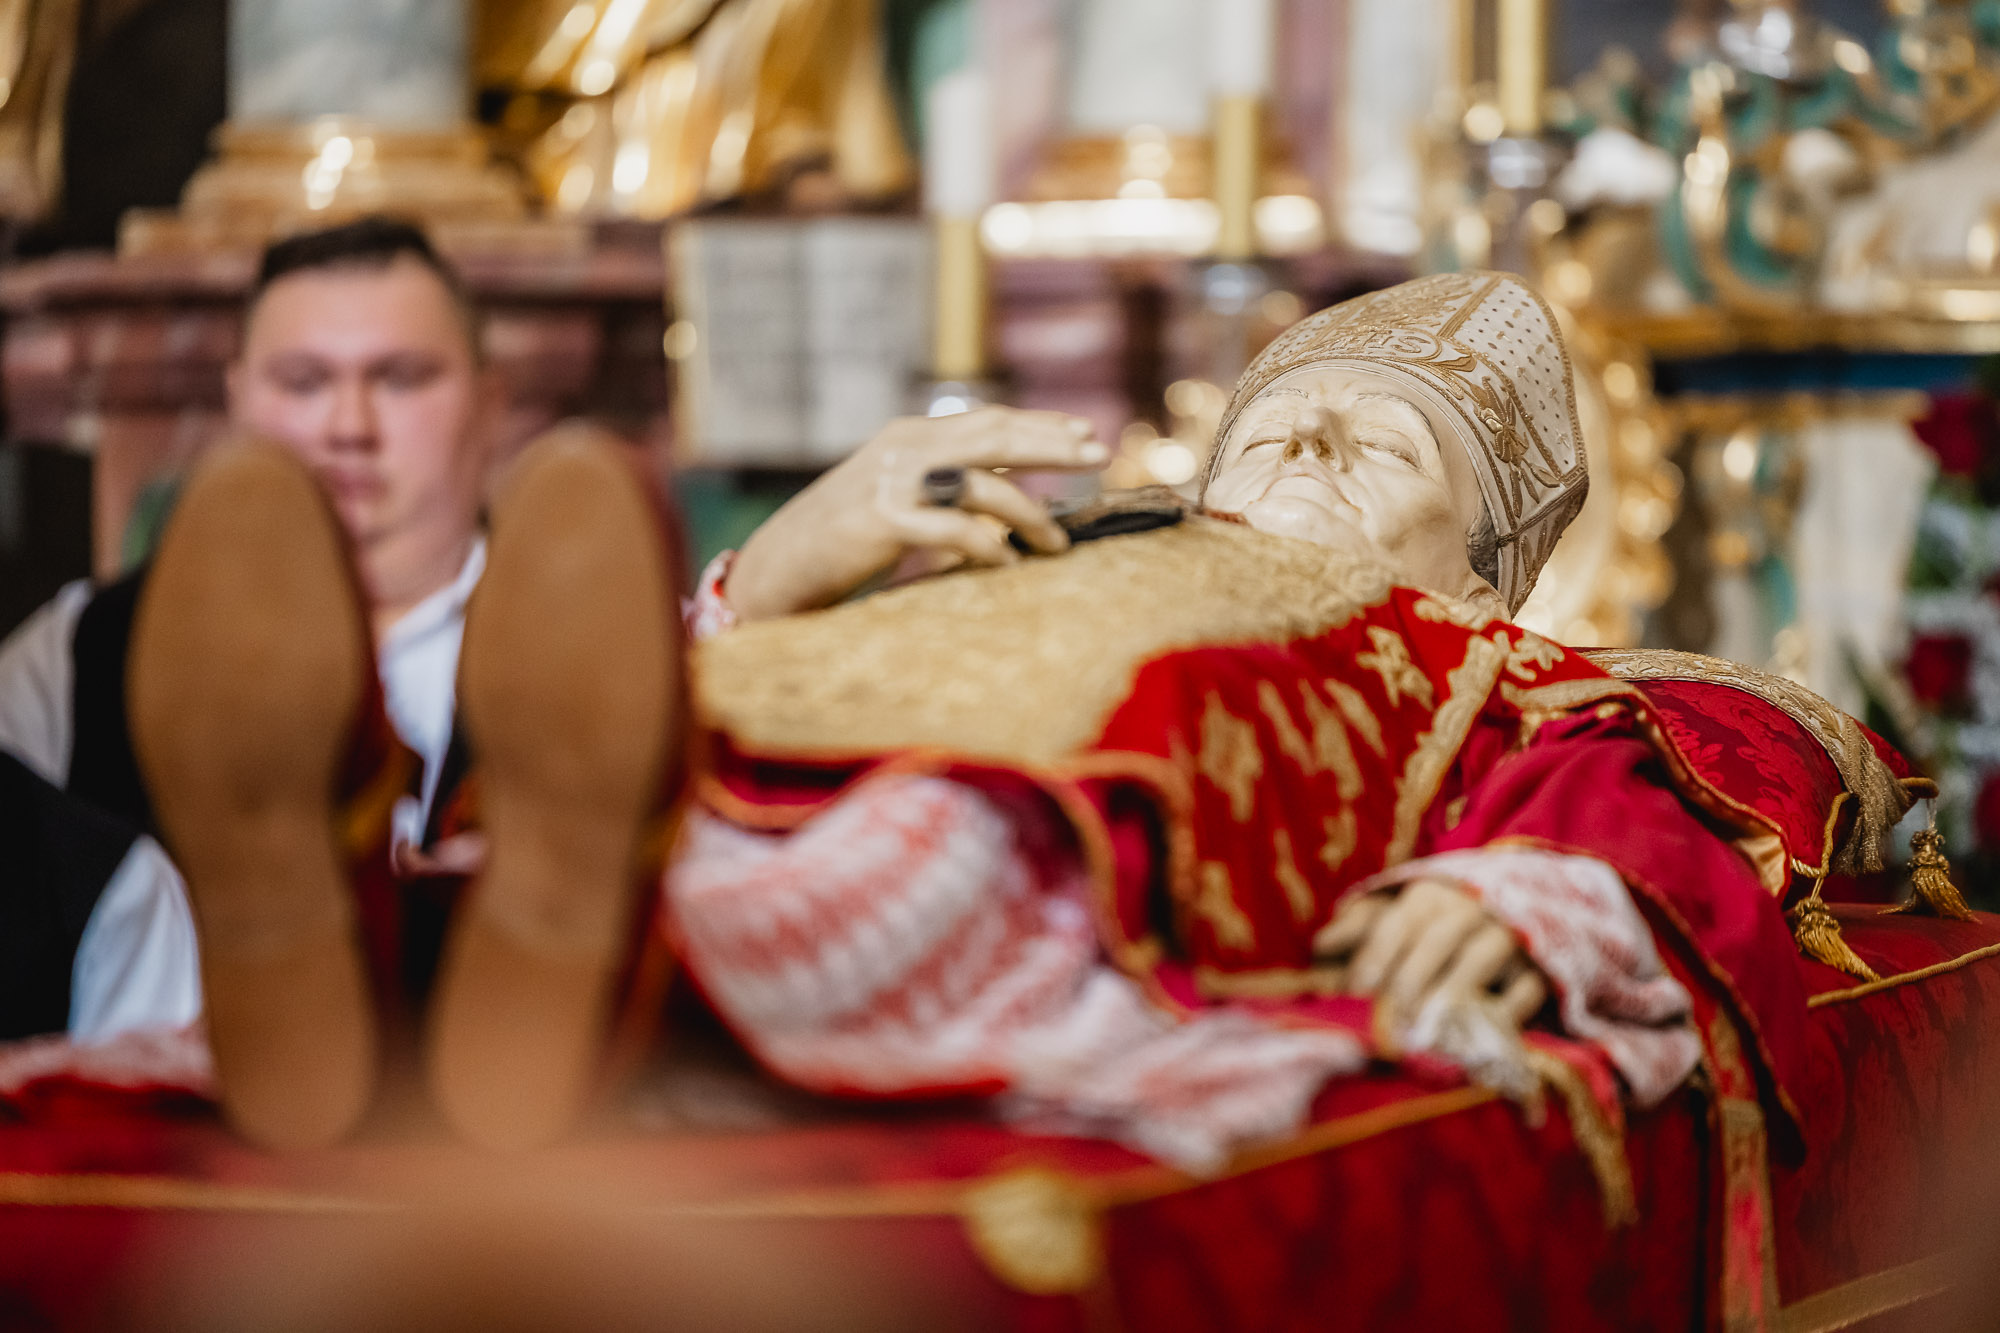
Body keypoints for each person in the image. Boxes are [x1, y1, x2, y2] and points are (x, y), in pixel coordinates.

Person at [0, 217, 498, 1044]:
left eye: (401, 378)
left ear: (489, 400)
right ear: (235, 401)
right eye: (303, 382)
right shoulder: (79, 654)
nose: (350, 425)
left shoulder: (604, 647)